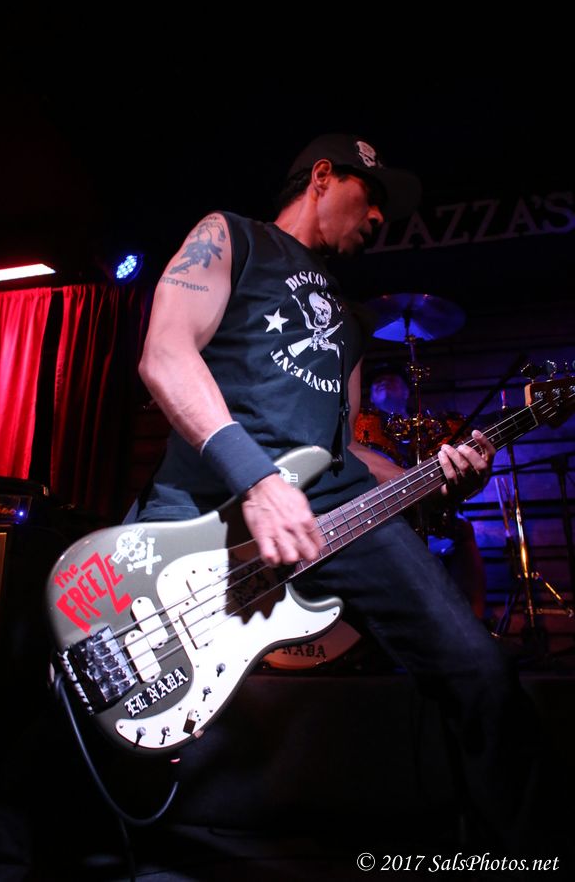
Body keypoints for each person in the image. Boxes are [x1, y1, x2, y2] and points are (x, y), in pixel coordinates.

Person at [134, 134, 548, 855]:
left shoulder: (350, 320)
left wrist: (439, 476)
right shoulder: (232, 237)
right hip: (212, 496)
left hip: (337, 513)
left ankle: (509, 856)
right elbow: (165, 353)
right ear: (323, 176)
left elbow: (346, 447)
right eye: (373, 195)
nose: (380, 217)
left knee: (480, 672)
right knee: (112, 680)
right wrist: (257, 478)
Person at [354, 367, 488, 618]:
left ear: (407, 391)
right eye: (377, 381)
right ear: (369, 397)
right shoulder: (360, 427)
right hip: (378, 511)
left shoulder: (427, 429)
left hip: (429, 509)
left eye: (391, 378)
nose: (383, 382)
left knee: (463, 528)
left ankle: (476, 618)